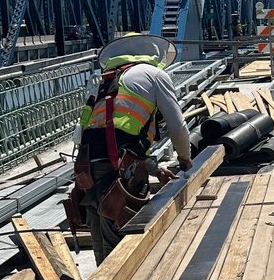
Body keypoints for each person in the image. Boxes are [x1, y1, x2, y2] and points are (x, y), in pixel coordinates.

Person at [73, 33, 193, 264]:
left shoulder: (105, 80)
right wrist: (185, 160)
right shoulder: (154, 74)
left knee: (100, 230)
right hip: (117, 168)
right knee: (120, 234)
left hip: (86, 167)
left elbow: (120, 134)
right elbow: (178, 127)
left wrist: (153, 168)